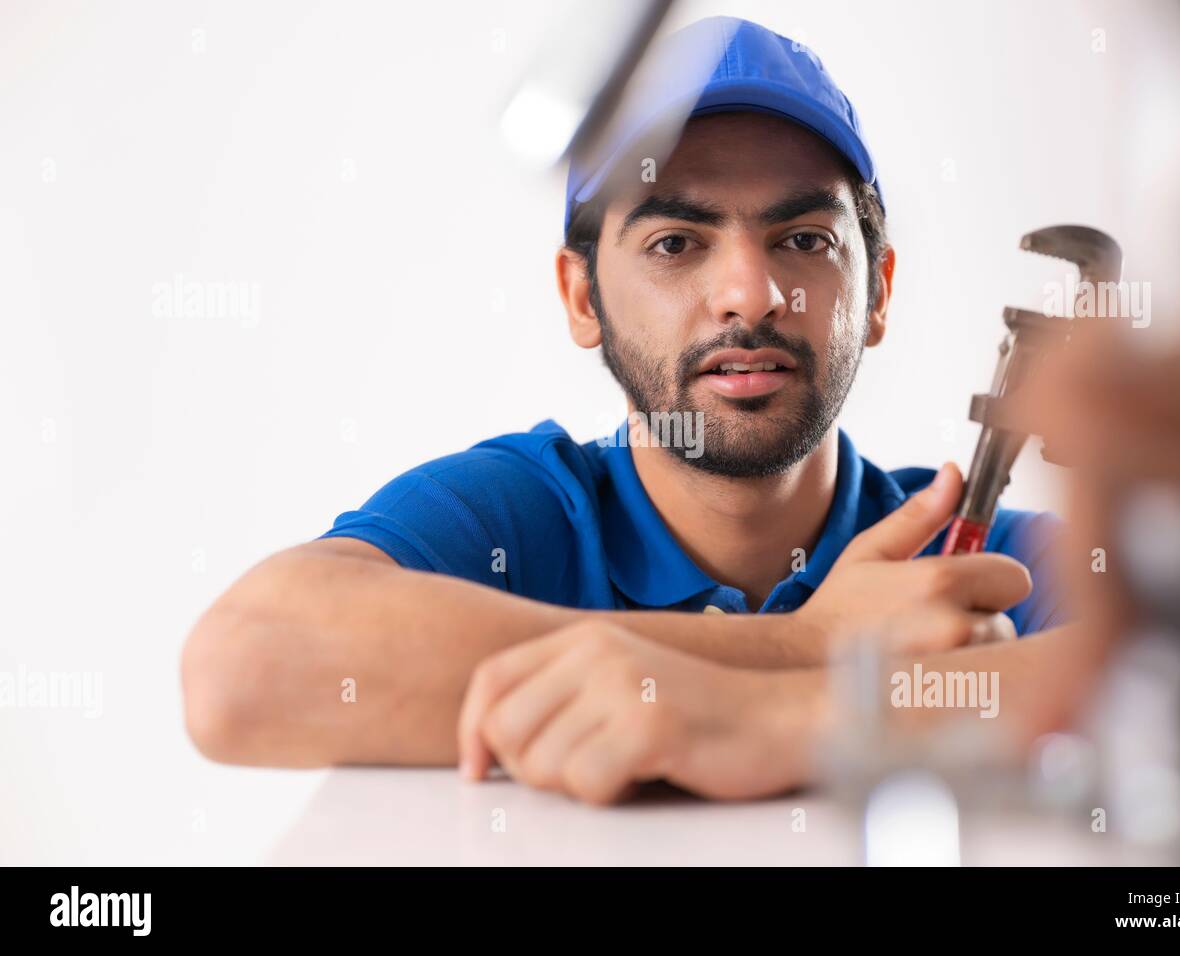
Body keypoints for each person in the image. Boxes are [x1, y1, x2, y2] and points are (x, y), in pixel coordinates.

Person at [181, 17, 1092, 804]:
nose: (750, 292)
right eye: (675, 241)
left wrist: (789, 710)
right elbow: (244, 670)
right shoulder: (515, 519)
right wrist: (809, 647)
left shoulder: (971, 570)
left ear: (879, 290)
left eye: (805, 239)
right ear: (582, 297)